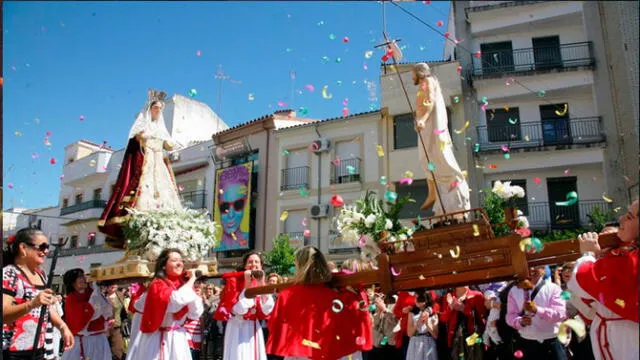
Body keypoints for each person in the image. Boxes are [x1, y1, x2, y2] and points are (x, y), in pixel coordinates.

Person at [98, 89, 184, 247]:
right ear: (149, 109)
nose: (158, 111)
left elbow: (168, 144)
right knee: (143, 192)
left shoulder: (161, 129)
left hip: (159, 163)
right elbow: (135, 146)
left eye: (160, 109)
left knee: (163, 192)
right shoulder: (141, 128)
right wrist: (143, 138)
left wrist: (169, 144)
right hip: (145, 163)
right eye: (155, 108)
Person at [266, 246, 373, 359]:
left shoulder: (288, 295)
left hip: (300, 351)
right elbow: (355, 320)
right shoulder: (337, 294)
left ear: (299, 266)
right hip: (330, 351)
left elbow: (275, 325)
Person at [567, 200, 639, 360]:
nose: (621, 219)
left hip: (625, 338)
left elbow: (582, 282)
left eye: (629, 216)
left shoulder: (631, 259)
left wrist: (588, 254)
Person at [2, 228, 74, 360]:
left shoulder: (41, 274)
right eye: (42, 247)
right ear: (23, 248)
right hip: (13, 350)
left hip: (38, 348)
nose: (46, 251)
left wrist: (63, 326)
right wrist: (33, 303)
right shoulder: (9, 274)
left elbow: (47, 307)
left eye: (47, 247)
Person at [412, 62, 470, 215]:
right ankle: (432, 191)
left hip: (430, 126)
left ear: (419, 73)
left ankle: (435, 191)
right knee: (426, 159)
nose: (411, 76)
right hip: (425, 127)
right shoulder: (424, 83)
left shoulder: (428, 81)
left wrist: (423, 119)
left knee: (429, 157)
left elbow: (430, 101)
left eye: (413, 73)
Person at [126, 249, 203, 360]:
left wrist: (190, 286)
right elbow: (175, 302)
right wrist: (192, 280)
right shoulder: (157, 284)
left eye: (181, 260)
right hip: (158, 340)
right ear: (163, 265)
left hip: (178, 339)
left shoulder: (183, 285)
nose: (180, 263)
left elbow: (195, 313)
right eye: (174, 260)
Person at [214, 251, 274, 360]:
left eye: (257, 262)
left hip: (253, 328)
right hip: (237, 327)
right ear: (245, 265)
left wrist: (261, 284)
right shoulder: (234, 281)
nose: (253, 264)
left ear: (261, 266)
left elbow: (267, 310)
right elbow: (238, 310)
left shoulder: (261, 283)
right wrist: (247, 283)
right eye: (250, 262)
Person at [506, 266, 567, 360]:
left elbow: (560, 314)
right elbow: (510, 316)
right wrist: (520, 321)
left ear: (543, 270)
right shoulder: (514, 291)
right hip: (527, 343)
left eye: (536, 265)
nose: (531, 269)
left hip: (551, 342)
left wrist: (537, 310)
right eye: (527, 266)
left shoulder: (553, 288)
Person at [61, 268, 113, 360]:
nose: (84, 278)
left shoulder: (92, 293)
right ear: (73, 283)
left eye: (84, 275)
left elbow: (106, 310)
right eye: (80, 277)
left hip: (99, 339)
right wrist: (96, 291)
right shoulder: (71, 298)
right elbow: (90, 313)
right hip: (82, 341)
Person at [440, 286, 486, 360]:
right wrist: (450, 308)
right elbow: (443, 319)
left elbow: (482, 318)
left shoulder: (477, 295)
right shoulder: (448, 296)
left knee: (474, 355)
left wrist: (463, 308)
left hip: (473, 336)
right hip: (456, 339)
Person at [214, 164, 252, 251]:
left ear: (245, 203)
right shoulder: (215, 244)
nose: (230, 215)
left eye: (238, 205)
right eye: (225, 207)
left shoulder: (248, 238)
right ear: (218, 204)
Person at [406, 291, 439, 360]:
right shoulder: (412, 313)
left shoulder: (433, 314)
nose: (416, 301)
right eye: (415, 298)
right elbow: (409, 334)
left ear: (426, 300)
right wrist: (417, 323)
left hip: (428, 342)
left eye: (419, 299)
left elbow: (435, 335)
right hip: (415, 343)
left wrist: (427, 323)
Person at [370, 293, 401, 360]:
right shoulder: (378, 300)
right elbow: (374, 322)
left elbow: (395, 322)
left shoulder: (397, 300)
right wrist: (378, 311)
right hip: (380, 340)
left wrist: (384, 310)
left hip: (392, 341)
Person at [105, 284, 126, 360]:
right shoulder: (101, 297)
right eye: (110, 283)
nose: (113, 285)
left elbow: (123, 310)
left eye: (115, 283)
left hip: (117, 326)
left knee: (118, 349)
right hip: (104, 328)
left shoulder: (120, 295)